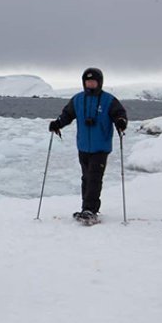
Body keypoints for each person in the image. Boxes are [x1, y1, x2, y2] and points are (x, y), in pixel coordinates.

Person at [48, 68, 128, 225]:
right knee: (86, 178)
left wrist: (121, 122)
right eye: (87, 81)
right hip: (83, 146)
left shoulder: (108, 100)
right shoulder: (78, 99)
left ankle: (90, 210)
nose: (90, 84)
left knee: (94, 178)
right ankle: (86, 208)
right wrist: (58, 123)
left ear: (99, 82)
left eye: (93, 81)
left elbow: (119, 114)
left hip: (101, 146)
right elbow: (67, 115)